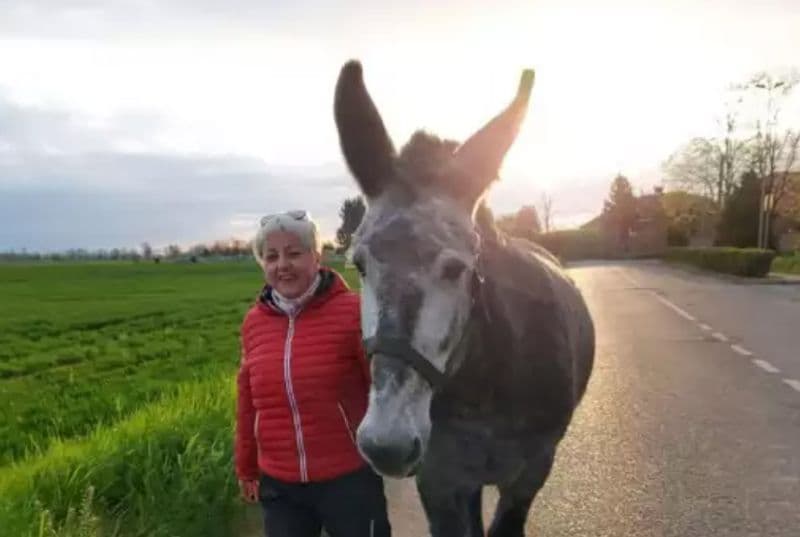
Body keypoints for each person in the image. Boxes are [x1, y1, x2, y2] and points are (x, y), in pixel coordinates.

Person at [235, 209, 391, 537]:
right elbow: (248, 402)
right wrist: (247, 467)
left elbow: (381, 389)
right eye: (271, 256)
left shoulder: (354, 311)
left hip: (349, 478)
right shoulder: (254, 323)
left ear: (316, 256)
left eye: (294, 253)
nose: (282, 265)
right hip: (281, 484)